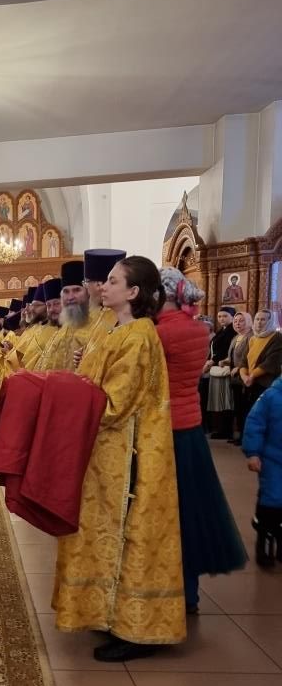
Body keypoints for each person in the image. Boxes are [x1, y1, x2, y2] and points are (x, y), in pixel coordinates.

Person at [52, 256, 186, 662]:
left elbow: (113, 404)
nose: (101, 287)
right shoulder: (114, 328)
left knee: (128, 536)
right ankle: (107, 614)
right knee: (104, 535)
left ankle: (135, 629)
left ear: (133, 292)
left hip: (128, 455)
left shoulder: (139, 336)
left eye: (112, 281)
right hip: (104, 453)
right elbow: (98, 378)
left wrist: (64, 396)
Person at [156, 267, 246, 611]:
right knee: (191, 511)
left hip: (166, 428)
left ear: (161, 295)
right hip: (191, 427)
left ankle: (166, 591)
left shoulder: (159, 332)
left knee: (167, 512)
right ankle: (189, 593)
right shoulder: (197, 328)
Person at [243, 374, 282, 566]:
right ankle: (264, 538)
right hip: (272, 460)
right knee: (271, 499)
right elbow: (254, 424)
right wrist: (253, 453)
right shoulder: (270, 396)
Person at [236, 309, 282, 412]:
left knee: (261, 413)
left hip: (265, 383)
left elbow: (271, 362)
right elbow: (243, 360)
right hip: (249, 383)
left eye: (263, 319)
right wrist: (244, 376)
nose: (259, 322)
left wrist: (252, 376)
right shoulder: (253, 338)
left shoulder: (277, 337)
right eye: (257, 319)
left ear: (270, 321)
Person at [204, 307, 236, 439]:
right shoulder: (222, 330)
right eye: (219, 316)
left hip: (224, 368)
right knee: (219, 400)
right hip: (216, 368)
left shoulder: (232, 331)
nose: (222, 319)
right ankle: (221, 428)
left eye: (225, 316)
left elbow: (225, 350)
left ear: (232, 317)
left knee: (225, 400)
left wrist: (212, 361)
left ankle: (226, 430)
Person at [227, 311, 254, 444]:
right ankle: (240, 434)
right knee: (238, 408)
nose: (237, 323)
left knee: (245, 408)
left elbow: (251, 358)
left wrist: (239, 368)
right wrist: (226, 361)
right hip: (235, 379)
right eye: (235, 321)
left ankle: (245, 436)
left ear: (248, 322)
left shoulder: (251, 337)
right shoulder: (236, 337)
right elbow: (233, 356)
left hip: (245, 378)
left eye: (241, 321)